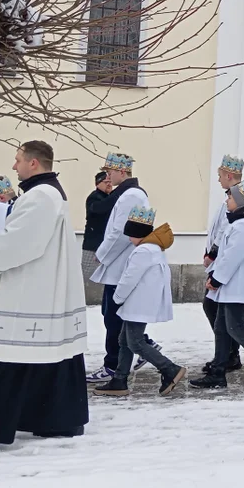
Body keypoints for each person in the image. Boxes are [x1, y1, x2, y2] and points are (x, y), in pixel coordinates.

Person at [0, 141, 89, 445]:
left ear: (33, 163)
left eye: (18, 160)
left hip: (30, 289)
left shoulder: (40, 196)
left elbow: (20, 245)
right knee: (45, 358)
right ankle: (52, 419)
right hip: (43, 286)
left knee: (11, 356)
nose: (14, 166)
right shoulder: (48, 192)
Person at [190, 178, 244, 393]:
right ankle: (217, 373)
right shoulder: (237, 223)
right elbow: (224, 255)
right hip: (230, 285)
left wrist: (217, 278)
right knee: (222, 326)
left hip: (237, 285)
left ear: (239, 202)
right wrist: (216, 276)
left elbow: (232, 257)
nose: (227, 200)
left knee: (234, 326)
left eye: (230, 197)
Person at [93, 208, 186, 397]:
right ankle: (119, 380)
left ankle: (170, 369)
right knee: (124, 340)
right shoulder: (152, 248)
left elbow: (129, 278)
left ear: (137, 234)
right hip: (139, 303)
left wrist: (117, 298)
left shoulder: (143, 251)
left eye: (130, 235)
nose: (129, 239)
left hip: (139, 304)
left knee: (135, 342)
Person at [87, 153, 153, 384]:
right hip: (121, 263)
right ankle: (126, 357)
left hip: (119, 265)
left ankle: (113, 364)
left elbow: (120, 232)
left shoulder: (128, 196)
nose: (108, 175)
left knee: (112, 317)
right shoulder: (130, 194)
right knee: (116, 315)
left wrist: (102, 254)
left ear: (122, 172)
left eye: (111, 171)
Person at [200, 155, 244, 374]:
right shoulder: (229, 197)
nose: (218, 180)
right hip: (217, 260)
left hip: (223, 262)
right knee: (216, 309)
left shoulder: (238, 199)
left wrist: (214, 254)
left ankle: (229, 355)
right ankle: (227, 354)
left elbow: (227, 232)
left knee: (217, 309)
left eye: (219, 176)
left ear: (228, 176)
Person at [81, 171, 111, 281]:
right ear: (98, 183)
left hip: (104, 245)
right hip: (92, 246)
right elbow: (101, 208)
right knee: (88, 276)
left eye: (110, 182)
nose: (109, 184)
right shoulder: (94, 197)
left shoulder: (109, 198)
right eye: (106, 182)